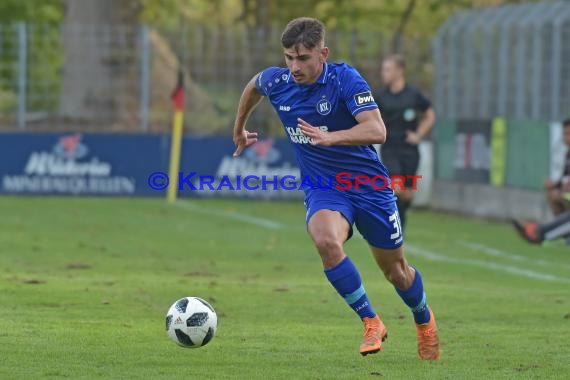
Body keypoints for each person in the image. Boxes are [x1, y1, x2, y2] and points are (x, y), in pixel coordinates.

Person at [232, 17, 439, 360]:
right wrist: (239, 127)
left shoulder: (345, 79)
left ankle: (424, 320)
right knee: (326, 240)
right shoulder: (278, 80)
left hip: (368, 186)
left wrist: (332, 137)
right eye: (289, 57)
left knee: (396, 272)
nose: (294, 66)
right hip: (324, 186)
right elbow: (254, 85)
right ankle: (371, 321)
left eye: (303, 58)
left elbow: (377, 130)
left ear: (322, 53)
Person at [373, 55, 435, 230]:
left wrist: (418, 135)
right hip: (390, 147)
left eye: (387, 69)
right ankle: (396, 229)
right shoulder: (380, 96)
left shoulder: (413, 94)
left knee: (407, 194)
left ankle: (400, 218)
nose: (383, 73)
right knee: (397, 187)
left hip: (410, 149)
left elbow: (430, 115)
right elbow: (370, 117)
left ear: (399, 71)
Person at [544, 119, 570, 216]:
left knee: (558, 196)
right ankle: (559, 226)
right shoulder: (567, 154)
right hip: (567, 193)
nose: (565, 137)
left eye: (568, 134)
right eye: (564, 134)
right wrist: (553, 185)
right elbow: (564, 177)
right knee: (551, 194)